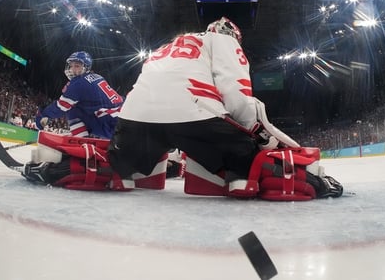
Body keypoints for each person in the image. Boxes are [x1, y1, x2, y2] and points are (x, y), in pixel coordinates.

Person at [107, 17, 343, 200]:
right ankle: (241, 182)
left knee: (128, 157)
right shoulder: (222, 39)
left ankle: (124, 174)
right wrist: (253, 135)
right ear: (233, 36)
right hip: (194, 116)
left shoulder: (164, 48)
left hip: (133, 121)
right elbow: (235, 92)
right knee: (244, 154)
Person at [35, 51, 124, 139]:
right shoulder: (98, 76)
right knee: (80, 105)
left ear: (86, 67)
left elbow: (60, 107)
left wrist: (43, 114)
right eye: (71, 66)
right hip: (122, 116)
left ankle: (82, 140)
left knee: (72, 108)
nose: (72, 69)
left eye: (77, 66)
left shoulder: (78, 83)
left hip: (111, 125)